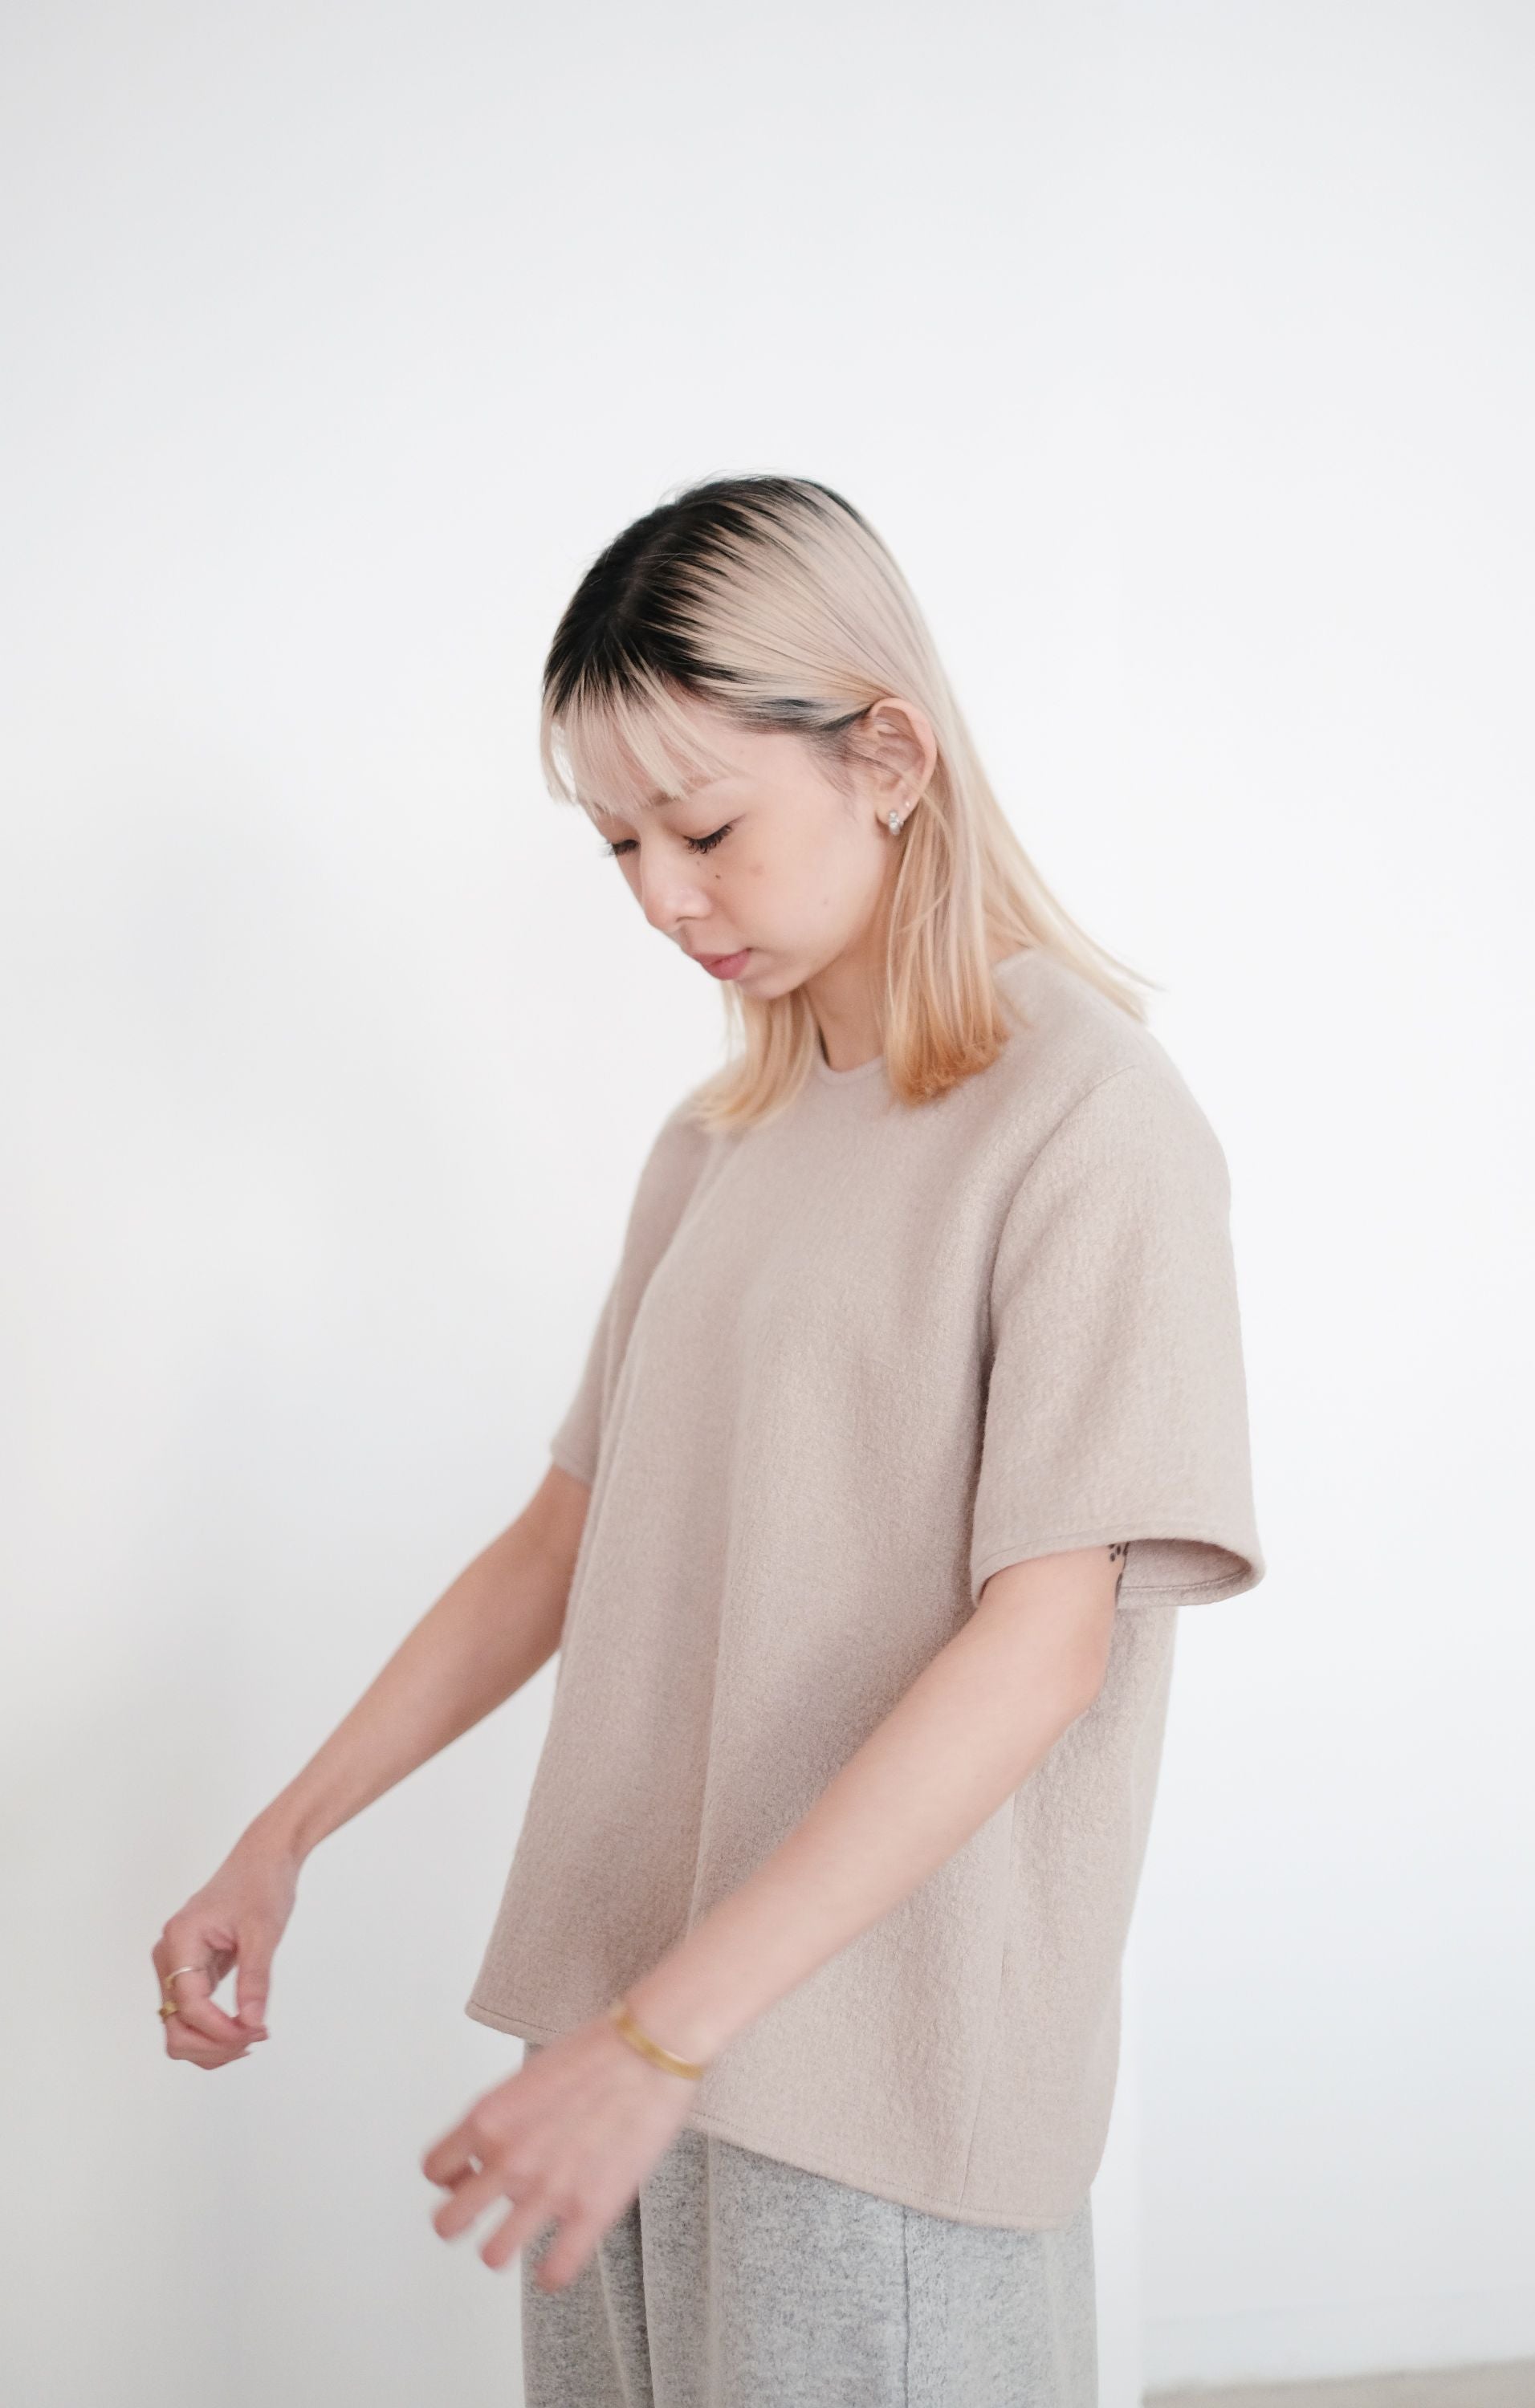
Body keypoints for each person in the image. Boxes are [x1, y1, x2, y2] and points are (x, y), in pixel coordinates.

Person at [153, 473, 1265, 2407]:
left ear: (887, 756)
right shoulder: (718, 1145)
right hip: (620, 2053)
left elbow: (1042, 1647)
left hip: (864, 2084)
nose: (662, 898)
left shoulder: (1088, 1124)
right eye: (619, 845)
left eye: (704, 828)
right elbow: (560, 1543)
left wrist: (666, 2039)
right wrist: (287, 1834)